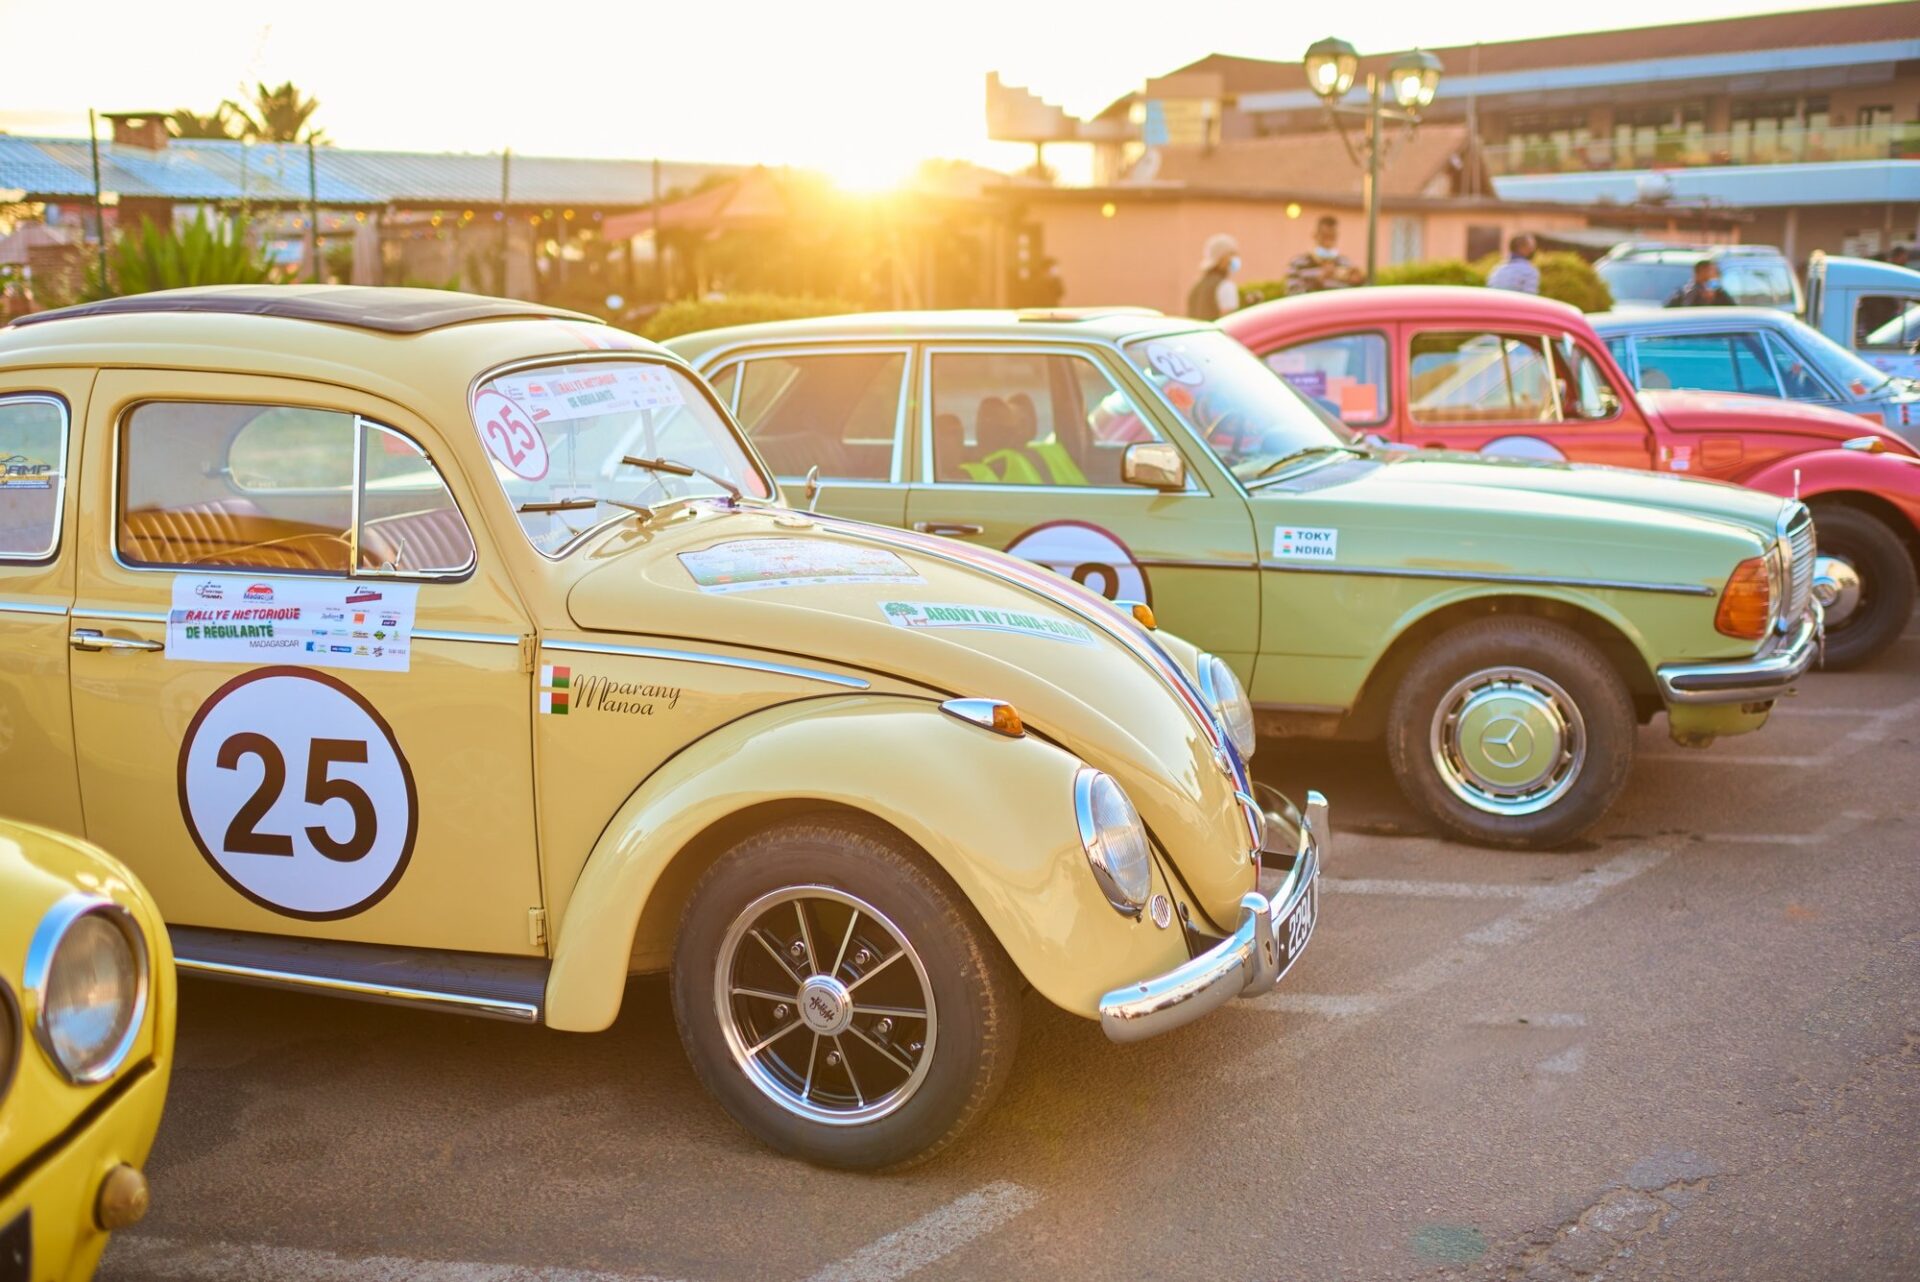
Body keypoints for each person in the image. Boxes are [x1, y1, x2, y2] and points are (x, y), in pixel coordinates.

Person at [1285, 215, 1365, 294]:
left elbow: (1354, 298)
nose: (1328, 243)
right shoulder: (1297, 264)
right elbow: (1292, 295)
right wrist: (1318, 281)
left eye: (1332, 237)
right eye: (1325, 237)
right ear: (1315, 235)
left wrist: (1358, 283)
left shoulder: (1345, 264)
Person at [1186, 233, 1241, 320]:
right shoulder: (1225, 286)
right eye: (1232, 254)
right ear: (1222, 258)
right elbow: (1229, 321)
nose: (1235, 258)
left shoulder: (1196, 287)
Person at [1666, 259, 1734, 307]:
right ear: (1698, 275)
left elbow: (1733, 313)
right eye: (1711, 273)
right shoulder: (1683, 295)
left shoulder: (1720, 295)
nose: (1717, 277)